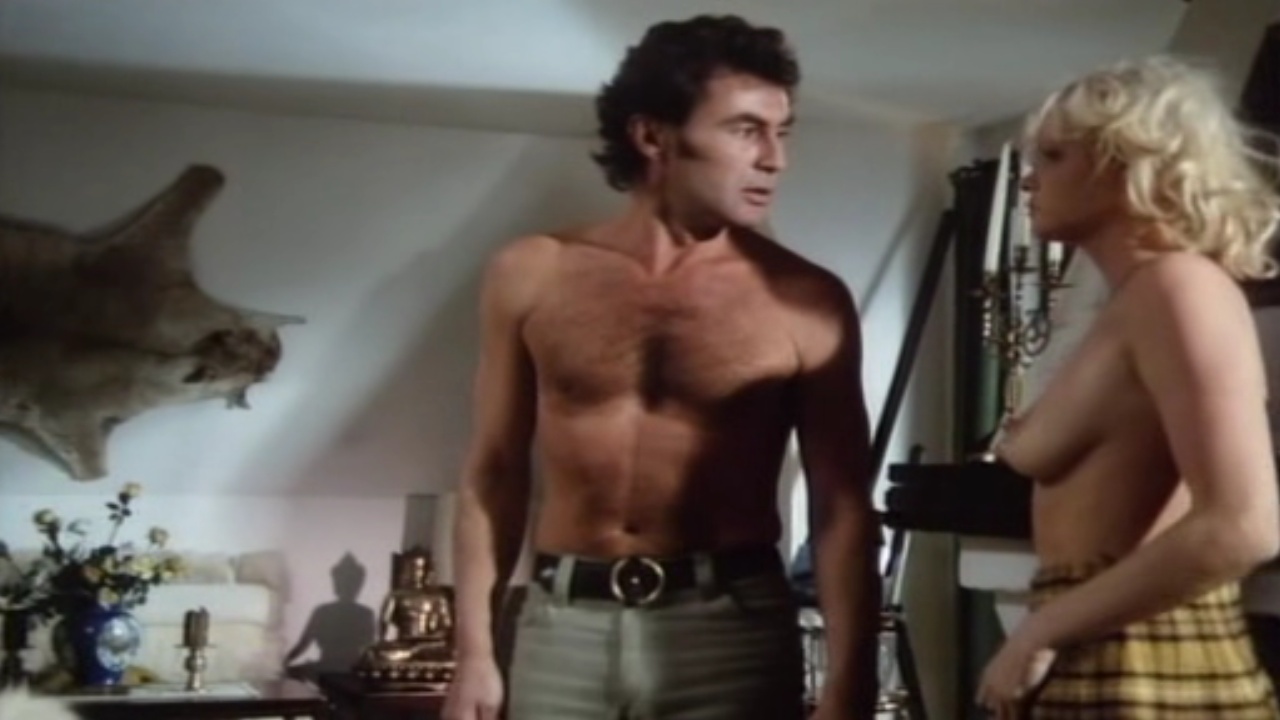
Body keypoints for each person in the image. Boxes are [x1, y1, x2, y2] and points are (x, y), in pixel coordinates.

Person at [441, 14, 881, 720]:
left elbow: (843, 504)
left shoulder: (806, 300)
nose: (775, 159)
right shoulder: (531, 273)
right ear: (653, 136)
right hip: (564, 626)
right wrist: (473, 653)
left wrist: (850, 680)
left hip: (728, 629)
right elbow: (493, 470)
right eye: (745, 130)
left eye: (782, 131)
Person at [978, 55, 1280, 719]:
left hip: (1152, 657)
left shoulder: (1181, 289)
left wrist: (1038, 631)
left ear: (1128, 164)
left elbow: (1244, 525)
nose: (1029, 178)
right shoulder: (1139, 299)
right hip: (1106, 647)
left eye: (1054, 155)